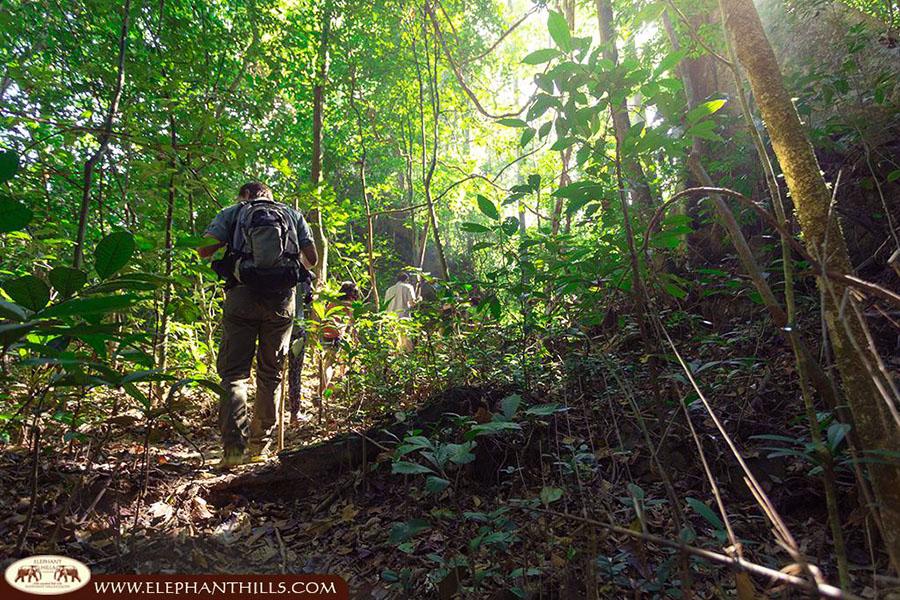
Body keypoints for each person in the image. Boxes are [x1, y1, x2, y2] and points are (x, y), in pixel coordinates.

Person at [197, 181, 317, 467]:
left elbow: (204, 251)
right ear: (270, 196)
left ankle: (233, 451)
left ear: (246, 195)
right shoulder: (292, 214)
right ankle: (259, 448)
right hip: (281, 303)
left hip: (241, 297)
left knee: (234, 375)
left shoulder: (234, 212)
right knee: (270, 374)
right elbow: (311, 260)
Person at [316, 281, 359, 421]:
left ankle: (325, 389)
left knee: (327, 361)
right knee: (329, 364)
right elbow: (352, 323)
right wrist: (355, 337)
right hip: (335, 336)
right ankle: (322, 392)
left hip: (324, 334)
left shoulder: (333, 302)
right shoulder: (349, 305)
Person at [384, 271, 418, 351]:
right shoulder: (408, 287)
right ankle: (409, 360)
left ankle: (393, 360)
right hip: (403, 317)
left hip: (391, 318)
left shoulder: (389, 290)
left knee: (393, 343)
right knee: (406, 342)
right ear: (406, 280)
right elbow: (412, 303)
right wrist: (419, 299)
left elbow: (386, 306)